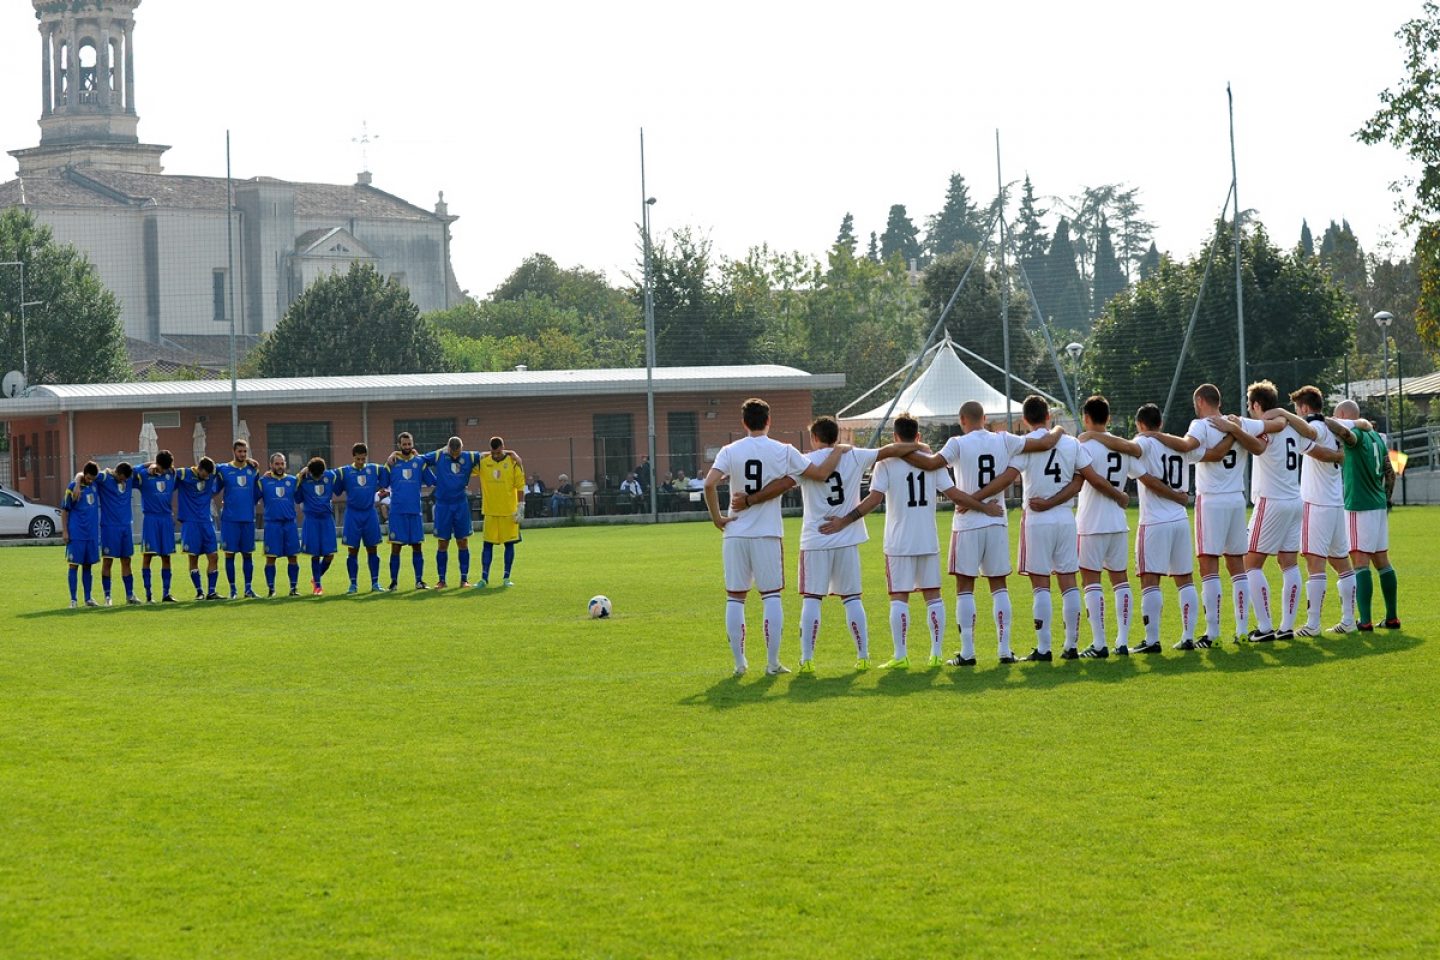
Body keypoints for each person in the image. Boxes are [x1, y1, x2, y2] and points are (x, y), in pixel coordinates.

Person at [734, 414, 922, 672]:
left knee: (812, 599)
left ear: (814, 438)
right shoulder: (855, 455)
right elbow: (889, 450)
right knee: (853, 599)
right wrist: (917, 445)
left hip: (815, 539)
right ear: (838, 436)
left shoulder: (806, 461)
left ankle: (807, 659)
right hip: (847, 538)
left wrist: (750, 498)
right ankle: (863, 655)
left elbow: (782, 484)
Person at [814, 413, 994, 670]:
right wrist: (982, 506)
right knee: (933, 596)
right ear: (918, 437)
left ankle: (901, 655)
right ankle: (935, 653)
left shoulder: (886, 463)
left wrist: (845, 520)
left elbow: (874, 499)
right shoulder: (933, 462)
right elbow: (954, 494)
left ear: (895, 438)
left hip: (898, 541)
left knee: (899, 597)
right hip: (927, 538)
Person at [905, 401, 1063, 665]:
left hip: (967, 524)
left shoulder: (957, 442)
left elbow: (932, 464)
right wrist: (1057, 429)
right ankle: (1004, 650)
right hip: (996, 520)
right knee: (999, 587)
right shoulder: (1003, 439)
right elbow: (1045, 443)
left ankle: (967, 653)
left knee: (965, 588)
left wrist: (898, 451)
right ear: (985, 418)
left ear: (962, 419)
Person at [703, 397, 847, 676]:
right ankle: (772, 663)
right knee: (770, 597)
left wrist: (717, 518)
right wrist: (838, 451)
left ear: (744, 423)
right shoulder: (783, 450)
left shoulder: (730, 450)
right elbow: (818, 473)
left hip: (734, 533)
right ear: (768, 421)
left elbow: (709, 483)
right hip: (767, 533)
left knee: (735, 598)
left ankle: (739, 663)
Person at [1142, 384, 1274, 645]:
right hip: (1237, 499)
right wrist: (1236, 432)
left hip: (1211, 500)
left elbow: (1186, 444)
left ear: (1200, 400)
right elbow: (1264, 441)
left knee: (1208, 565)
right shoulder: (1237, 422)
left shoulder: (1200, 425)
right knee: (1237, 566)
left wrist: (1155, 436)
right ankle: (1241, 629)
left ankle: (1212, 633)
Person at [1010, 395, 1131, 661]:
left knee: (1041, 585)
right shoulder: (1073, 443)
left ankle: (1044, 649)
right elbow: (1081, 482)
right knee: (1070, 584)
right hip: (1067, 519)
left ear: (1024, 420)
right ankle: (1072, 646)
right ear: (1049, 416)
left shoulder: (1027, 445)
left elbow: (1009, 477)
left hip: (1040, 519)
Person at [1213, 380, 1317, 642]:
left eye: (1250, 405)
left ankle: (1265, 626)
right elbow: (1309, 436)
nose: (1249, 410)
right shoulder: (1291, 426)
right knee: (1288, 563)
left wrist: (1233, 428)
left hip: (1272, 501)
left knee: (1251, 563)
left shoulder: (1262, 426)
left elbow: (1258, 445)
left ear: (1257, 405)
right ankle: (1286, 627)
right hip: (1295, 500)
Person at [1280, 386, 1358, 636]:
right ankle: (1348, 620)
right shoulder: (1335, 426)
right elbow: (1361, 424)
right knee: (1342, 564)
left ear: (1304, 408)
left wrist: (1282, 414)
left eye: (1296, 408)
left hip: (1316, 503)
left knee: (1314, 563)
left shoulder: (1316, 428)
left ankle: (1312, 624)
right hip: (1335, 503)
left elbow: (1309, 434)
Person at [1131, 404, 1204, 652]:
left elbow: (1146, 479)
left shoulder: (1142, 444)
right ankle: (1187, 637)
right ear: (1160, 424)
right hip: (1180, 520)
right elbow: (1200, 453)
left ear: (1140, 425)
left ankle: (1151, 640)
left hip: (1154, 522)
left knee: (1150, 580)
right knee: (1185, 579)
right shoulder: (1177, 444)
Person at [1074, 396, 1140, 657]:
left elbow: (1085, 479)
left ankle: (1099, 643)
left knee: (1091, 581)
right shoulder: (1121, 446)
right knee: (1120, 581)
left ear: (1086, 418)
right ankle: (1122, 641)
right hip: (1117, 523)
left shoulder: (1084, 445)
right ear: (1109, 418)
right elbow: (1138, 463)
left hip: (1091, 522)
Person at [1334, 399, 1399, 631]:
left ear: (1343, 414)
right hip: (1379, 505)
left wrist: (1322, 420)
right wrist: (1386, 498)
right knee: (1382, 561)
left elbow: (1345, 433)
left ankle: (1365, 621)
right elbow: (1391, 472)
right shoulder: (1378, 439)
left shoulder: (1358, 435)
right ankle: (1392, 617)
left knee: (1360, 563)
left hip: (1359, 505)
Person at [420, 436, 483, 589]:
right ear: (448, 448)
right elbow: (419, 460)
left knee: (462, 541)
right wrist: (432, 480)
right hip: (443, 505)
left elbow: (488, 455)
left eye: (458, 452)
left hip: (460, 504)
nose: (455, 456)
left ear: (462, 448)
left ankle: (464, 579)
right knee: (443, 543)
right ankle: (441, 580)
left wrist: (511, 453)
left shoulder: (469, 456)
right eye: (452, 452)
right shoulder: (438, 455)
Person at [335, 442, 389, 594]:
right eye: (358, 459)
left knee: (373, 549)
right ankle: (353, 585)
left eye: (363, 459)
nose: (360, 462)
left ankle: (375, 583)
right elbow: (328, 476)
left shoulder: (374, 469)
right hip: (352, 514)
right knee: (353, 551)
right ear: (353, 457)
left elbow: (390, 470)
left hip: (370, 513)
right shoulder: (345, 471)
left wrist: (393, 456)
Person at [384, 432, 433, 591]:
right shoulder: (392, 462)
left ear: (412, 444)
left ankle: (419, 581)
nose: (406, 447)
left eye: (409, 444)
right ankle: (393, 582)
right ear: (399, 445)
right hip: (397, 512)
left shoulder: (419, 462)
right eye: (403, 444)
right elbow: (383, 483)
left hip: (414, 511)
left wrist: (423, 459)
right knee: (396, 548)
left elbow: (431, 480)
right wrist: (388, 462)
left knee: (417, 547)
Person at [476, 436, 526, 588]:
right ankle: (484, 578)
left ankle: (506, 577)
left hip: (508, 512)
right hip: (490, 512)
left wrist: (520, 506)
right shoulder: (483, 462)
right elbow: (469, 464)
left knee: (509, 545)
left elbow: (520, 486)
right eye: (493, 452)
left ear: (502, 447)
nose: (496, 455)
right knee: (487, 545)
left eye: (498, 452)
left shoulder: (513, 463)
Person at [215, 439, 261, 599]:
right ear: (233, 451)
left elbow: (257, 492)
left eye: (244, 452)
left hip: (248, 519)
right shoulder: (223, 470)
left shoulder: (253, 470)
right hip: (230, 520)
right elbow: (213, 488)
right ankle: (233, 590)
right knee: (230, 554)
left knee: (248, 554)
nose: (242, 454)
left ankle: (248, 589)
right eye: (240, 451)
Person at [91, 461, 139, 606]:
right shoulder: (105, 478)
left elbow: (144, 466)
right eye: (122, 478)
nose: (124, 481)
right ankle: (107, 597)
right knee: (108, 561)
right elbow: (86, 473)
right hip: (109, 527)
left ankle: (130, 595)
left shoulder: (129, 477)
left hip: (125, 527)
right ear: (117, 473)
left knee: (127, 560)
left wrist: (154, 466)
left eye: (125, 479)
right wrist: (78, 479)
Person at [133, 450, 179, 603]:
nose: (165, 470)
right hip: (151, 520)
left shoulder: (171, 474)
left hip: (166, 519)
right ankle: (149, 595)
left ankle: (166, 594)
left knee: (167, 557)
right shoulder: (145, 475)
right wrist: (149, 464)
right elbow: (132, 470)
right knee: (148, 556)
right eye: (162, 467)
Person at [176, 457, 222, 600]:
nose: (207, 477)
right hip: (190, 523)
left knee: (214, 556)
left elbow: (227, 466)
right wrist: (152, 465)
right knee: (193, 558)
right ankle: (199, 591)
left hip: (206, 522)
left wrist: (250, 462)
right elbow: (166, 470)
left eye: (209, 475)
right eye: (205, 474)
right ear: (199, 468)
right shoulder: (184, 474)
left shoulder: (212, 473)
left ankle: (212, 592)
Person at [258, 453, 301, 597]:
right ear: (271, 465)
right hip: (272, 525)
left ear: (285, 465)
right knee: (271, 557)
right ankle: (271, 590)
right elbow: (250, 496)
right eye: (277, 464)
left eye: (282, 464)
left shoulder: (293, 480)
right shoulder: (263, 481)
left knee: (293, 557)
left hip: (290, 524)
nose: (280, 466)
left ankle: (293, 589)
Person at [62, 461, 102, 608]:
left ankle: (88, 598)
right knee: (73, 565)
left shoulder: (95, 485)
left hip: (91, 534)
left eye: (93, 478)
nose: (91, 480)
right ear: (85, 474)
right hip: (76, 533)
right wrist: (65, 531)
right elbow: (65, 510)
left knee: (88, 566)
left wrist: (79, 479)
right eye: (89, 478)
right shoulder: (72, 487)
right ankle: (73, 600)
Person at [297, 457, 338, 595]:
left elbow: (341, 478)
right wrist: (299, 476)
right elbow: (297, 498)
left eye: (320, 475)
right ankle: (318, 586)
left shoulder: (330, 476)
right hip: (311, 519)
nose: (318, 477)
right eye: (315, 475)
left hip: (327, 519)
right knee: (314, 554)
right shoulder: (304, 480)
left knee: (329, 555)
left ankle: (315, 579)